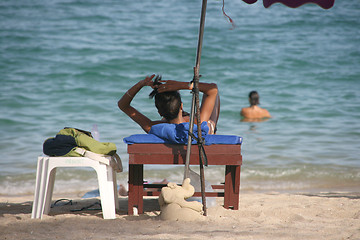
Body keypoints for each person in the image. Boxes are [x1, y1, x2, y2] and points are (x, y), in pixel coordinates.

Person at [118, 74, 220, 134]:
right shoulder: (199, 124)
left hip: (171, 122)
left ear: (159, 112)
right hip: (205, 130)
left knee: (168, 119)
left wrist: (140, 84)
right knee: (213, 96)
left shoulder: (152, 127)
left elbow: (123, 105)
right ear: (181, 105)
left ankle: (173, 113)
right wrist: (183, 85)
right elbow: (213, 89)